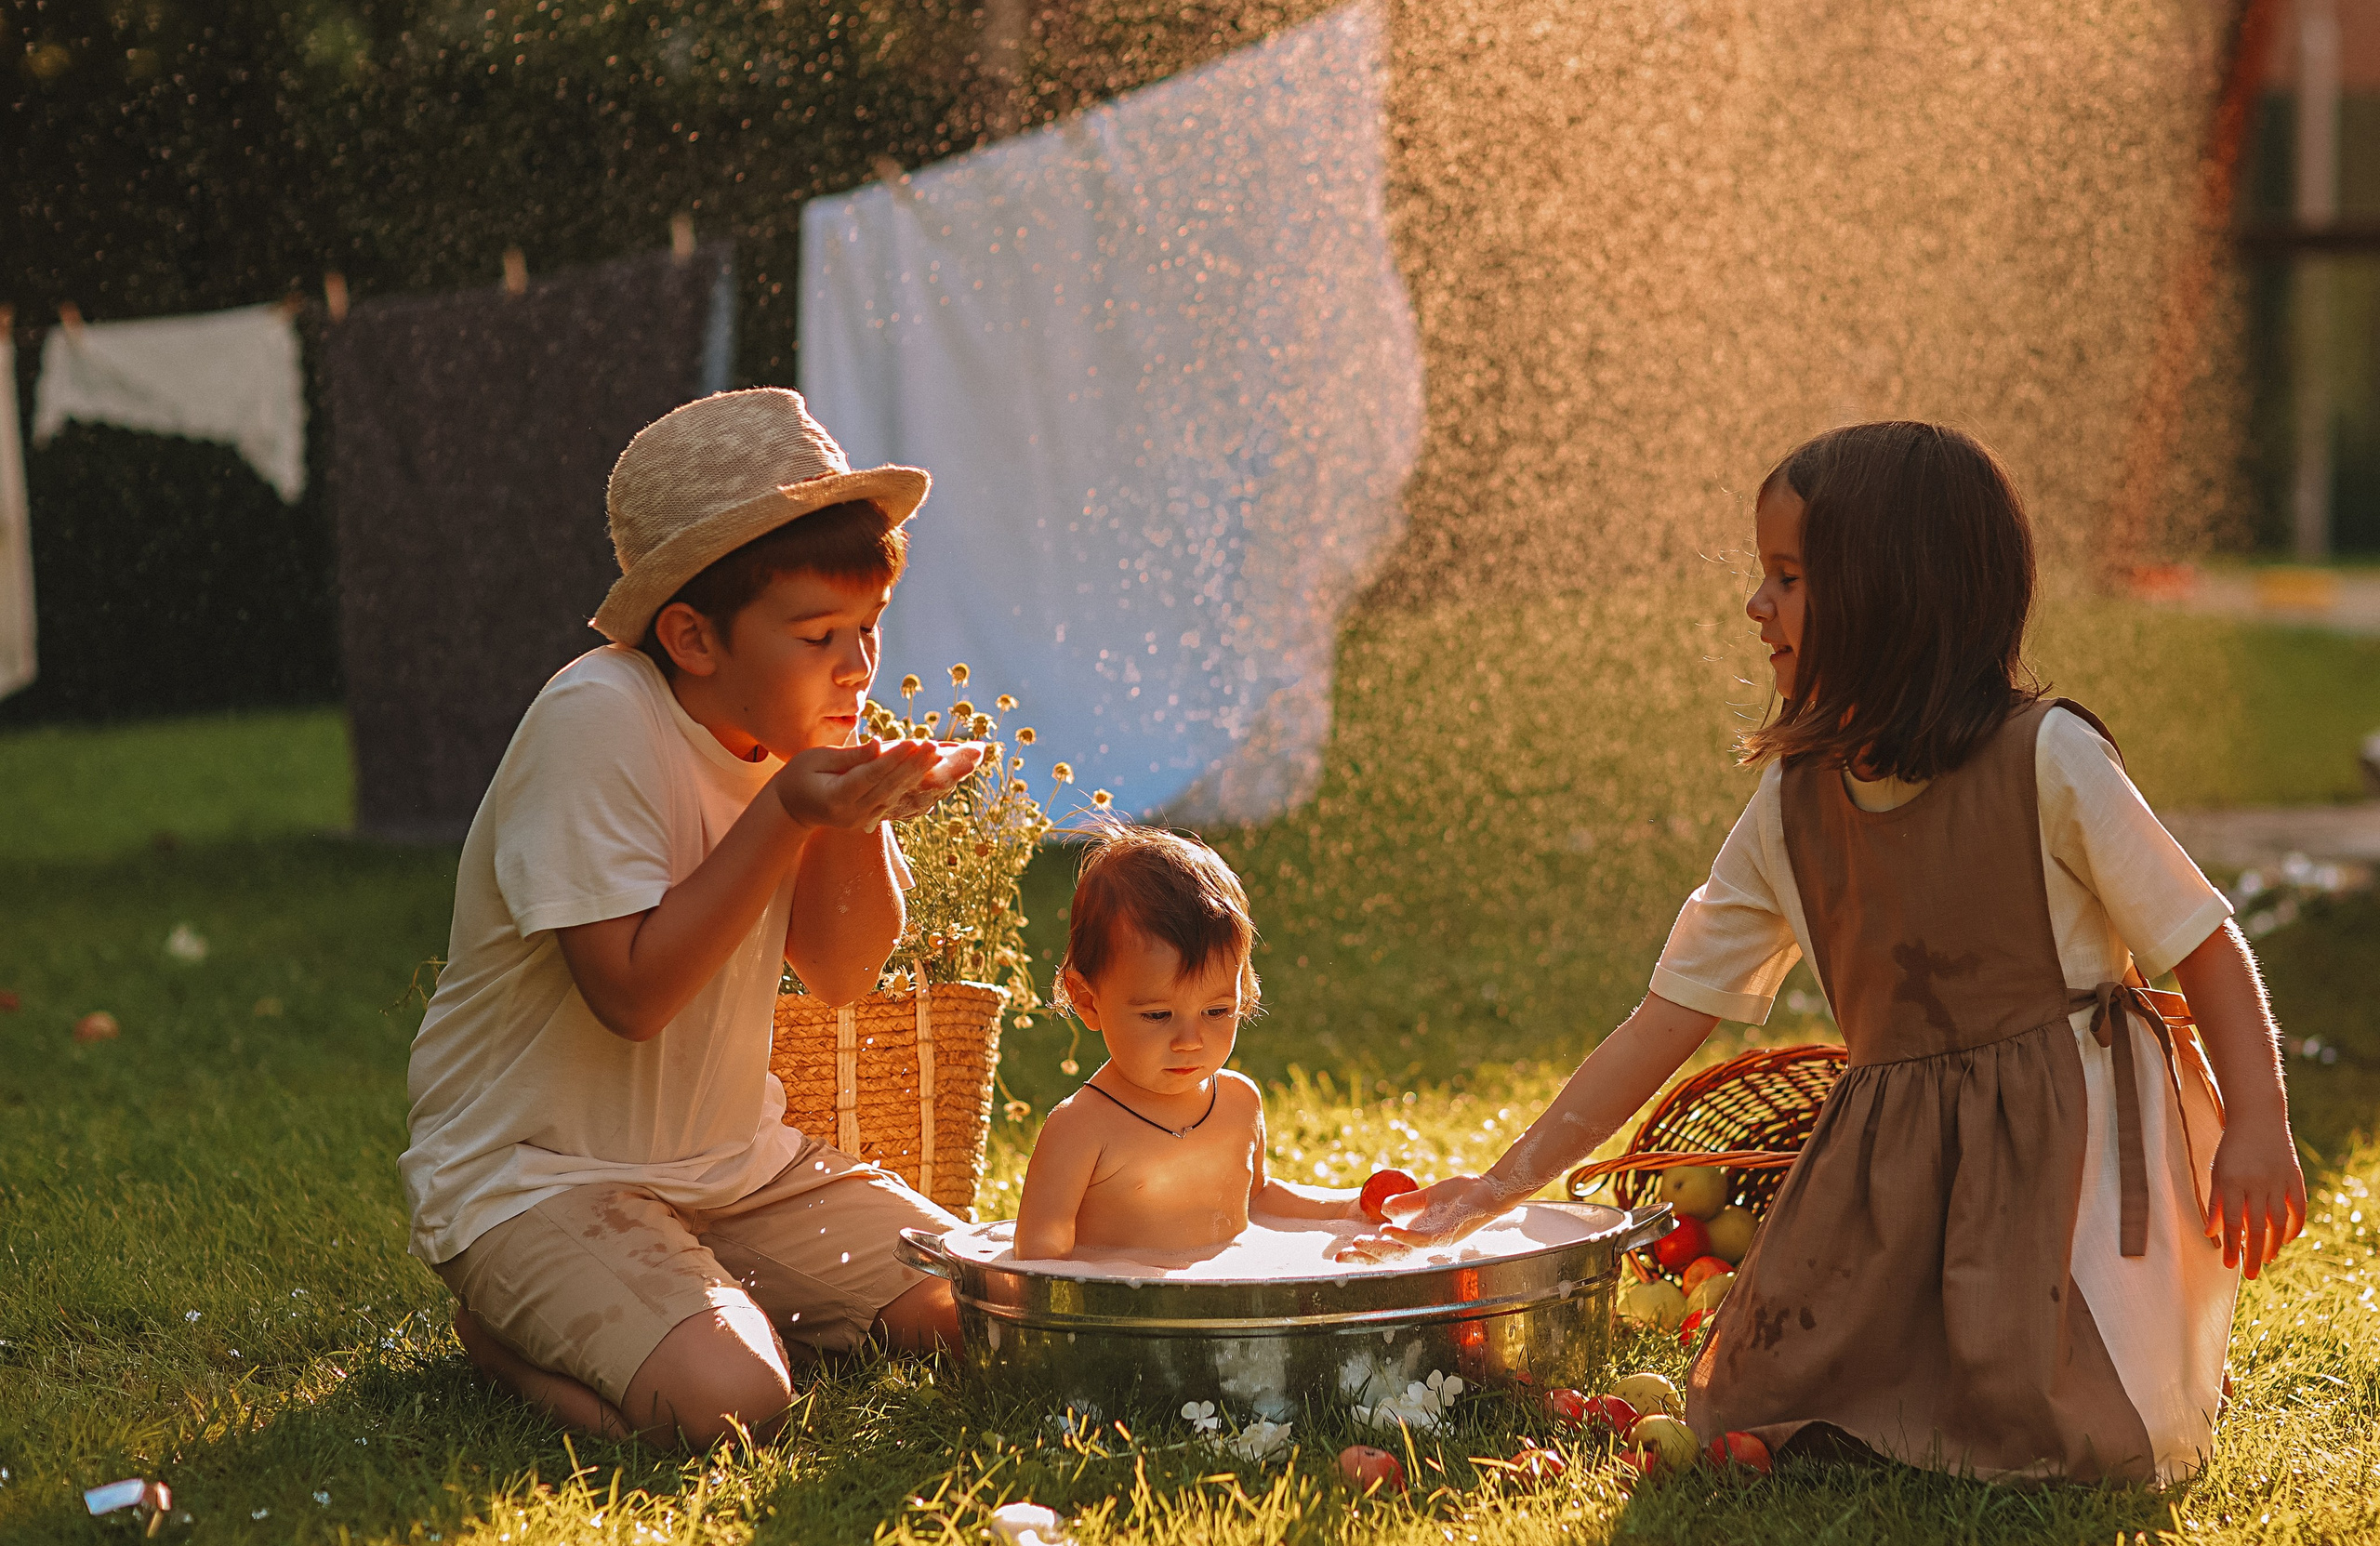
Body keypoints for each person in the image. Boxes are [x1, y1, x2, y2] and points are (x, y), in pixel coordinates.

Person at [1376, 421, 2307, 1485]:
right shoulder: (1793, 802)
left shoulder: (2049, 758)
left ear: (1888, 594)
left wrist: (2256, 1122)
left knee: (2059, 1430)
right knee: (1759, 1400)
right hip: (1891, 1166)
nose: (1754, 604)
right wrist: (1499, 1183)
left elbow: (2202, 941)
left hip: (2063, 1155)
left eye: (1787, 577)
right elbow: (1665, 1018)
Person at [400, 388, 987, 1448]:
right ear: (693, 637)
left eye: (868, 629)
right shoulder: (597, 719)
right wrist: (786, 811)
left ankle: (691, 1300)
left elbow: (843, 971)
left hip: (735, 1166)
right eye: (819, 635)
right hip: (536, 1177)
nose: (857, 667)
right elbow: (631, 996)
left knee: (990, 1314)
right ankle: (503, 1338)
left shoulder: (793, 727)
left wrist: (853, 813)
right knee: (731, 1402)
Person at [1011, 826, 1366, 1259]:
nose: (1189, 1041)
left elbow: (1259, 1200)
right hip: (1123, 1302)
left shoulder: (1239, 1101)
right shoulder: (1080, 1129)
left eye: (1216, 1011)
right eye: (1157, 1015)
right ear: (1087, 1000)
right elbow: (1039, 1263)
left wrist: (1348, 1208)